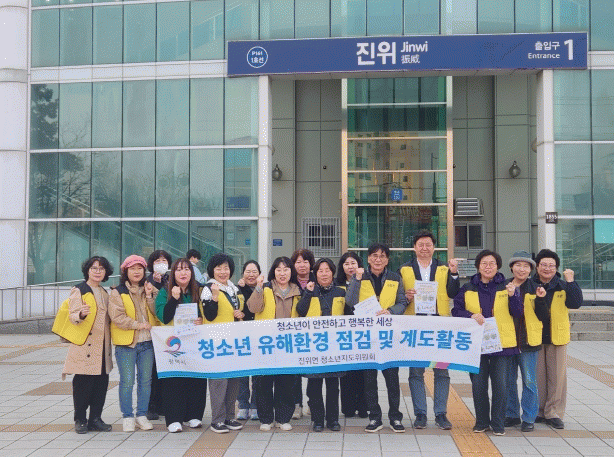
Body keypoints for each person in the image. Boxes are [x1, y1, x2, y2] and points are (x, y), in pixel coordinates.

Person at [452, 249, 523, 436]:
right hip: (477, 345)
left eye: (492, 263)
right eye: (484, 263)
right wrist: (470, 315)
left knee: (501, 385)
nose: (488, 267)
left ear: (498, 266)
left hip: (502, 344)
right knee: (478, 385)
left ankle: (498, 423)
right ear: (478, 266)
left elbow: (518, 312)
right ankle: (482, 422)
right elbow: (456, 310)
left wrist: (513, 296)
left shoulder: (508, 286)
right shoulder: (468, 287)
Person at [399, 230, 460, 430]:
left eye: (428, 245)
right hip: (415, 327)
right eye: (421, 245)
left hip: (439, 327)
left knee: (441, 371)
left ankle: (441, 414)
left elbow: (453, 293)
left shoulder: (444, 268)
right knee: (416, 373)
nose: (424, 248)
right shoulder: (404, 269)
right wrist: (406, 296)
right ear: (414, 247)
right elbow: (398, 297)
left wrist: (454, 273)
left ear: (434, 248)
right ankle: (420, 414)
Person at [346, 243, 408, 433]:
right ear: (368, 259)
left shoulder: (395, 278)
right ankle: (374, 417)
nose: (378, 259)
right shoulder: (359, 277)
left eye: (382, 256)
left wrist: (391, 311)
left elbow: (402, 302)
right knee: (369, 380)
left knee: (392, 380)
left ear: (387, 260)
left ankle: (395, 417)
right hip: (368, 337)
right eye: (374, 256)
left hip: (389, 337)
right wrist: (356, 280)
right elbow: (350, 301)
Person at [247, 257, 301, 431]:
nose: (282, 273)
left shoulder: (298, 290)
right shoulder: (266, 288)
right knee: (264, 382)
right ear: (273, 272)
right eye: (279, 270)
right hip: (267, 343)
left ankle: (283, 418)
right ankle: (266, 418)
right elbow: (253, 308)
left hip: (288, 343)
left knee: (286, 382)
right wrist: (258, 288)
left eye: (286, 269)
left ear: (291, 271)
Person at [61, 256, 114, 434]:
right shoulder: (79, 290)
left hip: (103, 347)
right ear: (87, 271)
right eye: (94, 268)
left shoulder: (105, 292)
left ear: (106, 272)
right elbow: (72, 315)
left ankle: (95, 419)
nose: (98, 271)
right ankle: (80, 420)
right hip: (86, 346)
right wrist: (81, 314)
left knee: (100, 385)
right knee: (83, 385)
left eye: (101, 268)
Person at [155, 258, 207, 433]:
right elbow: (164, 317)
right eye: (178, 270)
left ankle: (193, 415)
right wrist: (174, 299)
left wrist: (201, 320)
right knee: (174, 380)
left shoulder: (198, 291)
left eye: (186, 269)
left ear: (192, 272)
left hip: (194, 343)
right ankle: (174, 419)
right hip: (173, 344)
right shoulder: (165, 292)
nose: (183, 273)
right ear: (173, 273)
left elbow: (207, 314)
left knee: (196, 379)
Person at [533, 249, 583, 430]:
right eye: (543, 265)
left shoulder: (563, 285)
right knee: (538, 377)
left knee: (557, 378)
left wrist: (571, 282)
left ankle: (553, 412)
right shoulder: (530, 284)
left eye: (551, 265)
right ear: (537, 267)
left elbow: (575, 303)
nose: (547, 268)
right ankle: (540, 411)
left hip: (557, 337)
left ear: (556, 268)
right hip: (535, 337)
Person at [296, 258, 346, 432]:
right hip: (314, 346)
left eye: (327, 270)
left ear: (332, 272)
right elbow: (300, 311)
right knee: (314, 386)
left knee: (333, 386)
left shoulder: (341, 291)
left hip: (334, 345)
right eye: (320, 271)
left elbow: (350, 314)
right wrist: (308, 293)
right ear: (315, 274)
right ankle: (317, 420)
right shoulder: (309, 290)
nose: (324, 274)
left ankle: (333, 420)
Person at [108, 255, 157, 432]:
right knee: (127, 381)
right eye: (132, 268)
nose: (136, 272)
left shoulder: (150, 289)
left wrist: (150, 295)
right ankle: (127, 416)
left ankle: (141, 415)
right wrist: (138, 325)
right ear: (125, 271)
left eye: (140, 268)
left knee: (145, 381)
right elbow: (117, 317)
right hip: (126, 345)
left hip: (147, 344)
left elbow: (158, 312)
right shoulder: (117, 291)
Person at [504, 251, 548, 432]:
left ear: (531, 270)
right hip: (507, 342)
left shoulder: (537, 288)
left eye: (526, 266)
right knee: (508, 381)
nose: (521, 269)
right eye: (518, 265)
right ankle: (511, 414)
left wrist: (541, 299)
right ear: (511, 267)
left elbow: (544, 316)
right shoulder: (503, 286)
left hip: (529, 342)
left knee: (530, 382)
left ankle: (529, 417)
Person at [201, 253, 245, 434]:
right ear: (212, 270)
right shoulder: (208, 288)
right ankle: (217, 420)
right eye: (218, 268)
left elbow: (240, 310)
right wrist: (215, 297)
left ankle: (230, 417)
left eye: (226, 268)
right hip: (217, 342)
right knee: (219, 382)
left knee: (233, 381)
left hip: (234, 341)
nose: (222, 272)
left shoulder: (234, 288)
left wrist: (241, 314)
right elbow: (209, 315)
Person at [335, 252, 368, 419]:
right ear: (342, 267)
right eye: (346, 263)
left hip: (363, 333)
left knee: (362, 372)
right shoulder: (337, 284)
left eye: (353, 263)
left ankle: (363, 407)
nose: (350, 267)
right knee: (346, 373)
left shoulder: (367, 282)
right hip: (343, 334)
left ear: (359, 265)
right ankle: (348, 407)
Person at [144, 249, 172, 421]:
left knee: (165, 369)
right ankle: (151, 405)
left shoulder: (170, 280)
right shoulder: (147, 282)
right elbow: (154, 306)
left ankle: (162, 404)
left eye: (164, 260)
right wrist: (156, 285)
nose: (161, 263)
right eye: (157, 261)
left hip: (167, 331)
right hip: (153, 331)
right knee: (152, 371)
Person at [289, 248, 316, 419]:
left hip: (313, 333)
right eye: (298, 262)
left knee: (313, 370)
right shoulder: (289, 281)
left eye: (305, 261)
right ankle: (296, 404)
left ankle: (313, 403)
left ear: (311, 264)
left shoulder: (318, 279)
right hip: (294, 332)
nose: (302, 265)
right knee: (295, 371)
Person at [236, 260, 261, 421]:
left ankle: (255, 406)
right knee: (242, 374)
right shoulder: (236, 289)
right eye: (248, 271)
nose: (251, 275)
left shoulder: (264, 289)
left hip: (259, 336)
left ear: (259, 274)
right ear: (243, 273)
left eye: (254, 272)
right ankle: (243, 405)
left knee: (258, 374)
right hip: (242, 335)